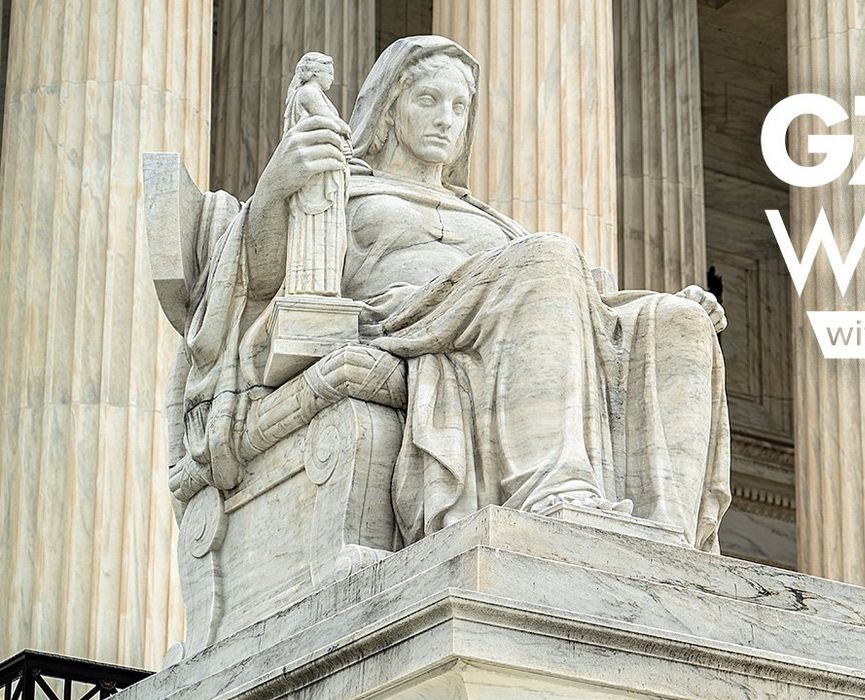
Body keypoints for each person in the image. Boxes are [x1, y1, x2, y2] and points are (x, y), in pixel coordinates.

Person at [177, 36, 731, 552]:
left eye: (459, 107)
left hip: (493, 316)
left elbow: (584, 304)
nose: (446, 119)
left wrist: (646, 308)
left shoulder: (492, 220)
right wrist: (277, 186)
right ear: (391, 106)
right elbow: (260, 283)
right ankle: (553, 492)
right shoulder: (344, 188)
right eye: (428, 99)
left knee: (677, 319)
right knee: (549, 254)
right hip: (399, 318)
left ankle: (665, 539)